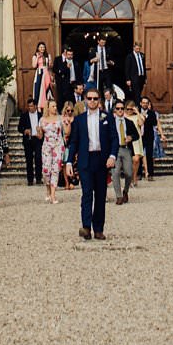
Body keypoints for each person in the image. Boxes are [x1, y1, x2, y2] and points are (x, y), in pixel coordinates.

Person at [69, 88, 118, 240]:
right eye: (89, 98)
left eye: (95, 99)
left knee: (101, 194)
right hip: (86, 159)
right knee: (87, 193)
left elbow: (114, 138)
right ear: (85, 99)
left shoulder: (107, 117)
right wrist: (69, 161)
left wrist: (112, 156)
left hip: (102, 160)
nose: (92, 101)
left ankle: (98, 228)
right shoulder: (79, 119)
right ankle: (85, 226)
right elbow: (74, 142)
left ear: (99, 100)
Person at [40, 101, 69, 204]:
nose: (55, 108)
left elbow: (67, 132)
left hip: (58, 146)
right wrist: (38, 131)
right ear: (47, 108)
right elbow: (40, 136)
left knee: (55, 170)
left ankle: (53, 195)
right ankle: (48, 188)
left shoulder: (60, 118)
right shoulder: (42, 120)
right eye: (53, 106)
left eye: (56, 106)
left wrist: (67, 123)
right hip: (47, 147)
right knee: (46, 171)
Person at [113, 100, 140, 204]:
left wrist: (131, 137)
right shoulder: (111, 122)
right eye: (118, 108)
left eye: (121, 108)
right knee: (115, 172)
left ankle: (125, 191)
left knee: (129, 173)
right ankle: (118, 196)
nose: (120, 110)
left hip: (126, 148)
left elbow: (137, 135)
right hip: (115, 149)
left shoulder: (129, 122)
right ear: (115, 110)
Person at [20, 93, 45, 187]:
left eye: (31, 106)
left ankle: (39, 178)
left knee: (38, 159)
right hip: (28, 140)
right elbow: (19, 127)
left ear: (35, 106)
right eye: (28, 106)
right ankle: (30, 179)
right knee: (29, 160)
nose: (30, 108)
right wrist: (24, 131)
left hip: (38, 139)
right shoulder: (24, 116)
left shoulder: (40, 115)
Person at [140, 94, 163, 177]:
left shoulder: (152, 113)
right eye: (143, 103)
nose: (145, 104)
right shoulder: (137, 112)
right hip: (139, 137)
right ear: (140, 103)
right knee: (139, 155)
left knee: (149, 155)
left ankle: (150, 173)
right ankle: (139, 174)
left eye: (146, 103)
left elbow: (154, 123)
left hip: (149, 136)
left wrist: (145, 118)